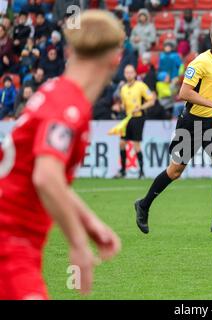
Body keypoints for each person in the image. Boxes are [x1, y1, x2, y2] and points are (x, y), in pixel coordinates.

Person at [0, 10, 123, 300]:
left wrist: (91, 224)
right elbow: (46, 177)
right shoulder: (69, 107)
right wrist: (78, 243)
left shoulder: (54, 90)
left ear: (70, 50)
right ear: (115, 59)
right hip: (9, 245)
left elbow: (38, 174)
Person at [134, 24, 212, 236]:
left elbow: (211, 89)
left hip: (211, 124)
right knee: (175, 171)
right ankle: (143, 205)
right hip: (190, 124)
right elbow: (184, 93)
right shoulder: (199, 63)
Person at [115, 64, 156, 178]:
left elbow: (151, 100)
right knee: (122, 143)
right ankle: (123, 170)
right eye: (127, 72)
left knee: (136, 144)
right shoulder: (123, 88)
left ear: (135, 73)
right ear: (124, 74)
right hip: (127, 118)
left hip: (138, 117)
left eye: (131, 72)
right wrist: (120, 107)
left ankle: (141, 172)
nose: (129, 74)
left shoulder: (141, 86)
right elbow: (123, 103)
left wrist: (141, 107)